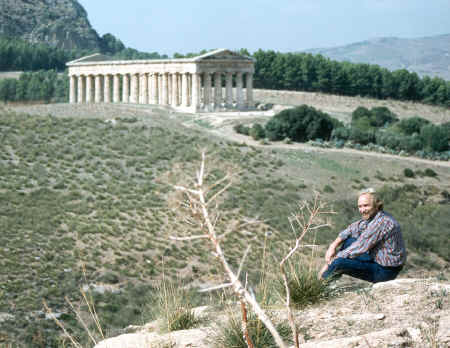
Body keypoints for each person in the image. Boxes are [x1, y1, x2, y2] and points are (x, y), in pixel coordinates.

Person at [319, 188, 406, 283]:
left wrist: (331, 261)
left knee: (339, 262)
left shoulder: (382, 222)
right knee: (349, 241)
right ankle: (330, 274)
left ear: (377, 205)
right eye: (360, 206)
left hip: (385, 271)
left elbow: (360, 246)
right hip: (377, 261)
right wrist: (333, 246)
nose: (362, 210)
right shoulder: (375, 217)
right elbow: (352, 228)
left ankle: (321, 285)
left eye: (366, 206)